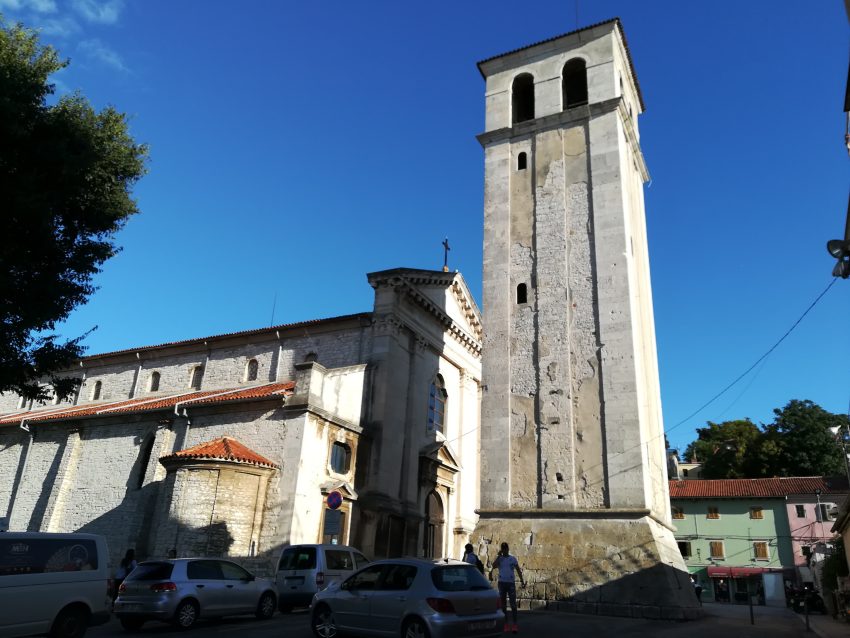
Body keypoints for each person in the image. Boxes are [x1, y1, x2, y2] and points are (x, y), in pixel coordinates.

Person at [489, 542, 524, 634]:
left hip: (510, 583)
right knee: (503, 605)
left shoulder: (512, 559)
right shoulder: (500, 559)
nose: (504, 550)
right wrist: (498, 555)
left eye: (505, 548)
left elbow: (518, 570)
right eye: (503, 548)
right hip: (502, 583)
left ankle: (515, 624)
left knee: (513, 605)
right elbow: (493, 565)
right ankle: (506, 624)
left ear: (508, 549)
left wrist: (522, 580)